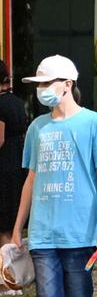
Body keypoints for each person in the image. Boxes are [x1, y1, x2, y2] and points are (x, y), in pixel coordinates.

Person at [8, 56, 97, 297]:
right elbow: (31, 178)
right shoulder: (37, 127)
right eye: (39, 84)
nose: (41, 89)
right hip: (44, 233)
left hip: (81, 233)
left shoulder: (94, 123)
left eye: (47, 83)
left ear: (68, 84)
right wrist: (18, 226)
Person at [0, 62, 27, 258]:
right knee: (12, 218)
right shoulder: (17, 101)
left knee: (3, 225)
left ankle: (7, 277)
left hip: (4, 165)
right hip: (19, 162)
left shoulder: (0, 104)